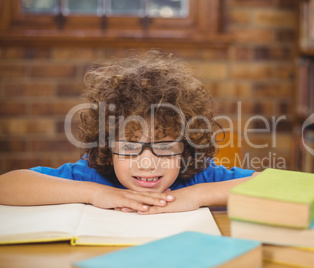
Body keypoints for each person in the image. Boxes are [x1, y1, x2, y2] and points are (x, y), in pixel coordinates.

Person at [0, 50, 258, 214]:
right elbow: (6, 186)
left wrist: (199, 195)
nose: (147, 162)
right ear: (107, 147)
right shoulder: (92, 176)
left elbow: (291, 189)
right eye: (130, 147)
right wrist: (95, 193)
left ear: (186, 150)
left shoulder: (198, 177)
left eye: (165, 147)